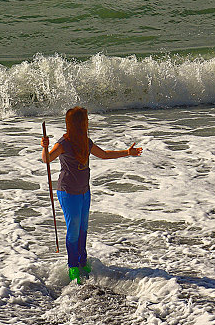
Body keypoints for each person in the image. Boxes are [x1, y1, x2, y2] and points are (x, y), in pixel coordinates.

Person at [42, 107, 142, 283]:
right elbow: (47, 159)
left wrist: (127, 152)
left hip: (84, 191)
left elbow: (103, 155)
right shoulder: (63, 143)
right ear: (80, 123)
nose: (87, 122)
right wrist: (45, 147)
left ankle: (82, 261)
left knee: (83, 229)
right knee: (73, 231)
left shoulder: (85, 141)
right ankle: (73, 266)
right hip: (68, 192)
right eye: (85, 120)